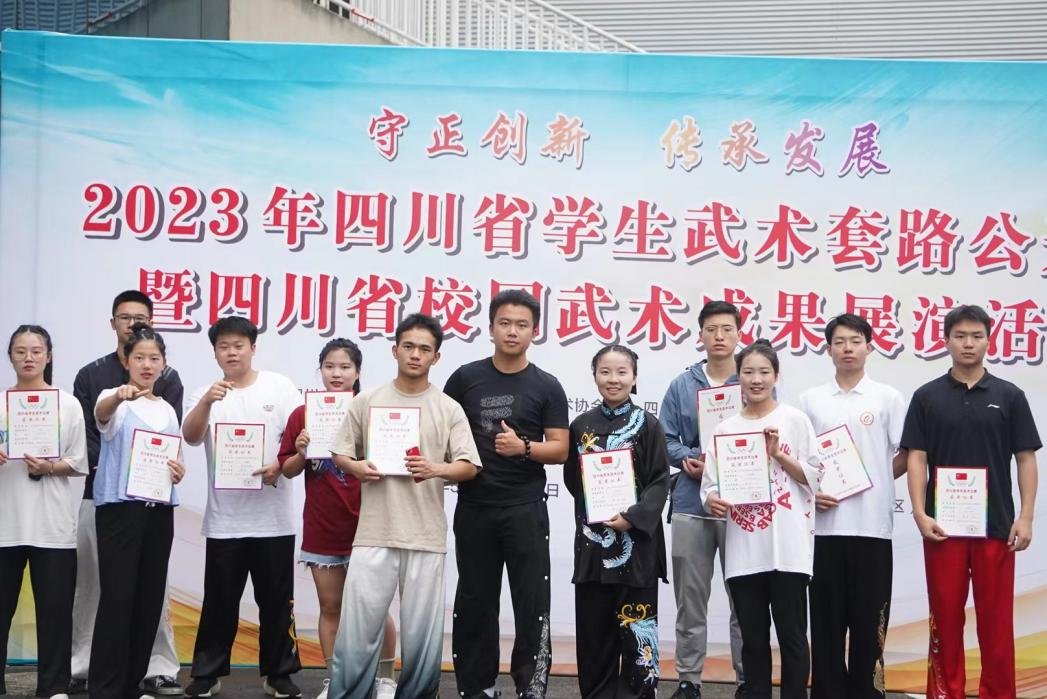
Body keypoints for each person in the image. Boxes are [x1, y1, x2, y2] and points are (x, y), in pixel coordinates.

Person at [329, 313, 481, 699]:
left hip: (425, 535)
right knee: (358, 630)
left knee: (422, 635)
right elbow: (340, 452)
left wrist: (435, 469)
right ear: (394, 350)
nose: (415, 355)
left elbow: (469, 466)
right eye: (409, 346)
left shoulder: (448, 408)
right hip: (374, 532)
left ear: (436, 357)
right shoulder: (367, 400)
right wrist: (356, 467)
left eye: (424, 349)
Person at [902, 304, 1041, 699]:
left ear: (988, 341)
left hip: (996, 526)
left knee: (996, 621)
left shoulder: (1009, 396)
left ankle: (998, 693)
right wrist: (919, 512)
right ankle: (946, 692)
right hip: (942, 528)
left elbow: (1026, 458)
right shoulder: (926, 397)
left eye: (976, 336)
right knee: (945, 618)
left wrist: (1025, 516)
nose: (968, 343)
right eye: (960, 336)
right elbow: (917, 457)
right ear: (946, 341)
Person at [444, 290, 569, 699]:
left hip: (525, 509)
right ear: (490, 327)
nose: (512, 331)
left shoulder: (547, 385)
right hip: (475, 506)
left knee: (531, 601)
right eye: (505, 323)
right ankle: (476, 686)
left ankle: (530, 686)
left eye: (521, 325)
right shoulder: (464, 378)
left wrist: (524, 448)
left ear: (535, 332)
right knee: (476, 599)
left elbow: (561, 449)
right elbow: (442, 433)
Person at [182, 317, 304, 699]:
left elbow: (298, 441)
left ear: (253, 347)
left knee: (276, 602)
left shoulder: (280, 388)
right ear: (215, 352)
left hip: (273, 520)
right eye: (224, 347)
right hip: (225, 521)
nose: (231, 353)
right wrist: (207, 401)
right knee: (219, 602)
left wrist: (278, 466)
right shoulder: (204, 393)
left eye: (238, 345)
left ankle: (278, 673)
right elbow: (191, 436)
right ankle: (207, 674)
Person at [71, 290, 184, 696]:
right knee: (117, 597)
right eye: (140, 358)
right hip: (119, 511)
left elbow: (175, 457)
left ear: (163, 364)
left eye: (154, 359)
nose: (147, 365)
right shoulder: (112, 399)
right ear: (127, 362)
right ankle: (105, 686)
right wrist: (119, 395)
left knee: (149, 599)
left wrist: (178, 470)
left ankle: (132, 682)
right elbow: (100, 416)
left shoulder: (167, 408)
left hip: (159, 510)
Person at [277, 339, 397, 699]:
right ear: (320, 370)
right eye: (329, 366)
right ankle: (335, 678)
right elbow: (287, 470)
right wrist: (301, 451)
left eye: (345, 367)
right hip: (323, 526)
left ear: (358, 372)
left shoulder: (372, 410)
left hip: (369, 526)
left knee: (376, 608)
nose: (336, 373)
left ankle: (386, 678)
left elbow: (391, 460)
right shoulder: (302, 415)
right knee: (331, 607)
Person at [702, 340, 820, 699]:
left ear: (776, 376)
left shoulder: (795, 420)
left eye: (764, 372)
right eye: (749, 372)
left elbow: (815, 477)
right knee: (752, 641)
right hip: (745, 550)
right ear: (738, 377)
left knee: (793, 637)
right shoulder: (725, 429)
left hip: (789, 549)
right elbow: (710, 487)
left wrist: (778, 455)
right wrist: (713, 501)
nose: (756, 379)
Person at [799, 313, 907, 698]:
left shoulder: (887, 398)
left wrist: (871, 479)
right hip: (824, 528)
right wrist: (815, 489)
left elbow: (907, 453)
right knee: (826, 623)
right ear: (828, 349)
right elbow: (800, 460)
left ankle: (867, 692)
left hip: (872, 528)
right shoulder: (810, 400)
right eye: (840, 342)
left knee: (869, 622)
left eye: (855, 341)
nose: (848, 348)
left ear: (870, 347)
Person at [563, 345, 669, 699]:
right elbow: (573, 480)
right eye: (605, 371)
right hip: (594, 550)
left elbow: (659, 481)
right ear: (594, 376)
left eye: (622, 372)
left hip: (636, 551)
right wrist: (600, 507)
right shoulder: (580, 426)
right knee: (594, 640)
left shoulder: (649, 425)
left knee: (638, 638)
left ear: (634, 377)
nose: (613, 379)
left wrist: (632, 517)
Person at [659, 300, 745, 699]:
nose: (719, 336)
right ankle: (688, 680)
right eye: (712, 329)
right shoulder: (682, 384)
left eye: (727, 329)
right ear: (701, 335)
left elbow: (768, 430)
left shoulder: (753, 378)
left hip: (743, 506)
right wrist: (687, 458)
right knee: (690, 601)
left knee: (744, 601)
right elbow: (665, 438)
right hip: (691, 503)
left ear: (739, 334)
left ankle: (748, 680)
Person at [0, 325, 87, 699]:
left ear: (49, 356)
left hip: (53, 526)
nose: (29, 358)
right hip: (5, 523)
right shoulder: (1, 403)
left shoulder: (67, 404)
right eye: (20, 351)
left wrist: (49, 466)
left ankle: (53, 686)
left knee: (55, 611)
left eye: (36, 351)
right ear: (10, 357)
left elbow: (79, 461)